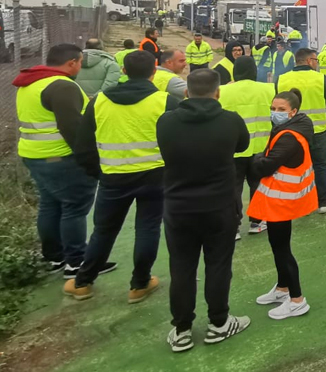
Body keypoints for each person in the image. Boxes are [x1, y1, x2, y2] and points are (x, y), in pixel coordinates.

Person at [66, 50, 178, 301]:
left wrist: (98, 172)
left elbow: (83, 145)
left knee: (103, 231)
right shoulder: (165, 101)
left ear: (124, 72)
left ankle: (83, 282)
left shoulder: (99, 101)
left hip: (113, 178)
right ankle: (140, 284)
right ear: (154, 71)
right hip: (155, 177)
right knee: (148, 228)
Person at [157, 69, 251, 352]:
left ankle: (182, 329)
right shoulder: (230, 121)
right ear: (218, 92)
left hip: (179, 208)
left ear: (186, 92)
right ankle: (219, 324)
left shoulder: (166, 122)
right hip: (220, 206)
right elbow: (243, 145)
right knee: (218, 265)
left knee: (182, 268)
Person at [15, 44, 101, 277]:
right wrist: (91, 161)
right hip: (61, 157)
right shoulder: (62, 86)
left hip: (34, 154)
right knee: (74, 208)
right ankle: (77, 262)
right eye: (80, 63)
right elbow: (72, 128)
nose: (80, 67)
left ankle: (54, 258)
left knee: (50, 205)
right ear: (72, 62)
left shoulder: (31, 82)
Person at [248, 90, 318, 320]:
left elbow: (266, 165)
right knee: (278, 245)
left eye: (281, 110)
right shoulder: (295, 128)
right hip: (281, 199)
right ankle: (282, 288)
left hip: (281, 201)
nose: (275, 113)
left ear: (293, 112)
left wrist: (254, 160)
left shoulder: (289, 136)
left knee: (282, 249)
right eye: (273, 108)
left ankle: (297, 299)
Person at [276, 47, 326, 213]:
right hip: (316, 130)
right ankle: (322, 202)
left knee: (292, 166)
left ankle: (294, 202)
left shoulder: (282, 79)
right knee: (319, 165)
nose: (317, 64)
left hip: (290, 132)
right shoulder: (320, 78)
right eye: (316, 60)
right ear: (310, 61)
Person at [219, 55, 276, 236]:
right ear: (254, 70)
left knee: (233, 187)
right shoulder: (268, 89)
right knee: (258, 184)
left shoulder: (223, 90)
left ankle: (233, 227)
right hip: (261, 146)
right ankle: (256, 222)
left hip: (232, 149)